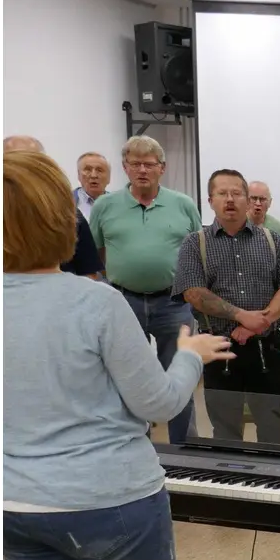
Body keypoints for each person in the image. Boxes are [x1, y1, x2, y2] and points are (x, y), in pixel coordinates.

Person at [3, 149, 233, 560]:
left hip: (16, 505)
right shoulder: (97, 302)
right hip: (109, 504)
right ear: (63, 220)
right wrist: (189, 356)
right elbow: (158, 404)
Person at [173, 169, 280, 444]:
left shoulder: (272, 241)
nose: (230, 199)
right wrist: (241, 316)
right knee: (225, 432)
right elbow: (193, 293)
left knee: (272, 431)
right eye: (222, 193)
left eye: (236, 193)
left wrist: (261, 322)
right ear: (210, 201)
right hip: (218, 350)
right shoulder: (194, 244)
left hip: (266, 349)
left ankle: (270, 484)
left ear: (247, 200)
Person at [89, 135, 205, 443]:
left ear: (161, 168)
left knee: (180, 372)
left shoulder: (183, 205)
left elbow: (196, 253)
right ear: (125, 168)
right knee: (127, 379)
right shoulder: (105, 206)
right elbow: (97, 254)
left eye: (149, 164)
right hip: (123, 302)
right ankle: (133, 443)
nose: (143, 170)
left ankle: (184, 447)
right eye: (135, 163)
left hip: (172, 303)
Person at [4, 136, 103, 280]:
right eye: (14, 162)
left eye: (30, 162)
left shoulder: (68, 213)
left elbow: (88, 272)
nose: (22, 171)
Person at [74, 151, 111, 222]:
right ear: (79, 175)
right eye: (88, 170)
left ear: (109, 177)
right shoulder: (65, 203)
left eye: (99, 170)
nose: (93, 175)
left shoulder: (119, 205)